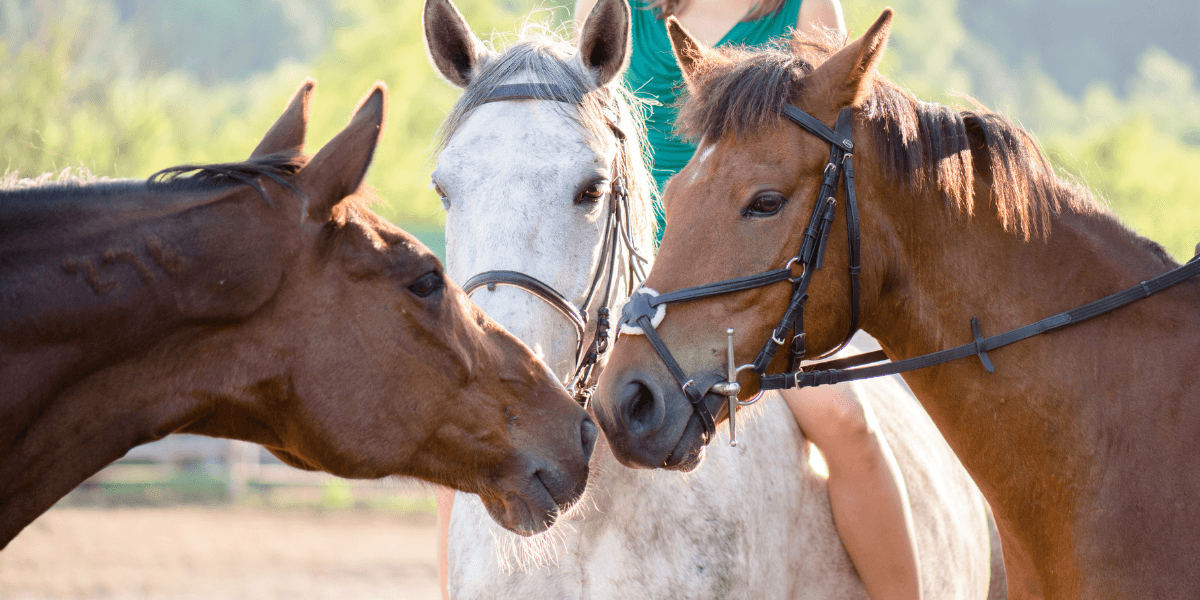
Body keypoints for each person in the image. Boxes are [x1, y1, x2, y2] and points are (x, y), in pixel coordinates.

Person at [438, 3, 921, 600]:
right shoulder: (621, 9)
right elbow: (568, 130)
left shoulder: (807, 8)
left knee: (846, 422)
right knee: (461, 443)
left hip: (748, 275)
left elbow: (822, 144)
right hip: (615, 261)